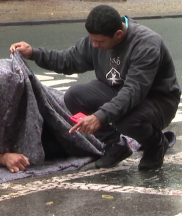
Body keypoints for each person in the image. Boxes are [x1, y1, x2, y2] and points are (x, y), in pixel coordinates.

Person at [10, 4, 181, 170]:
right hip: (119, 91)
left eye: (99, 41)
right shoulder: (98, 38)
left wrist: (99, 117)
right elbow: (68, 60)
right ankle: (115, 144)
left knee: (126, 119)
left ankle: (156, 144)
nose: (94, 45)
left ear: (119, 34)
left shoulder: (146, 44)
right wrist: (33, 53)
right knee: (74, 96)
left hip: (158, 101)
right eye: (92, 39)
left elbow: (133, 92)